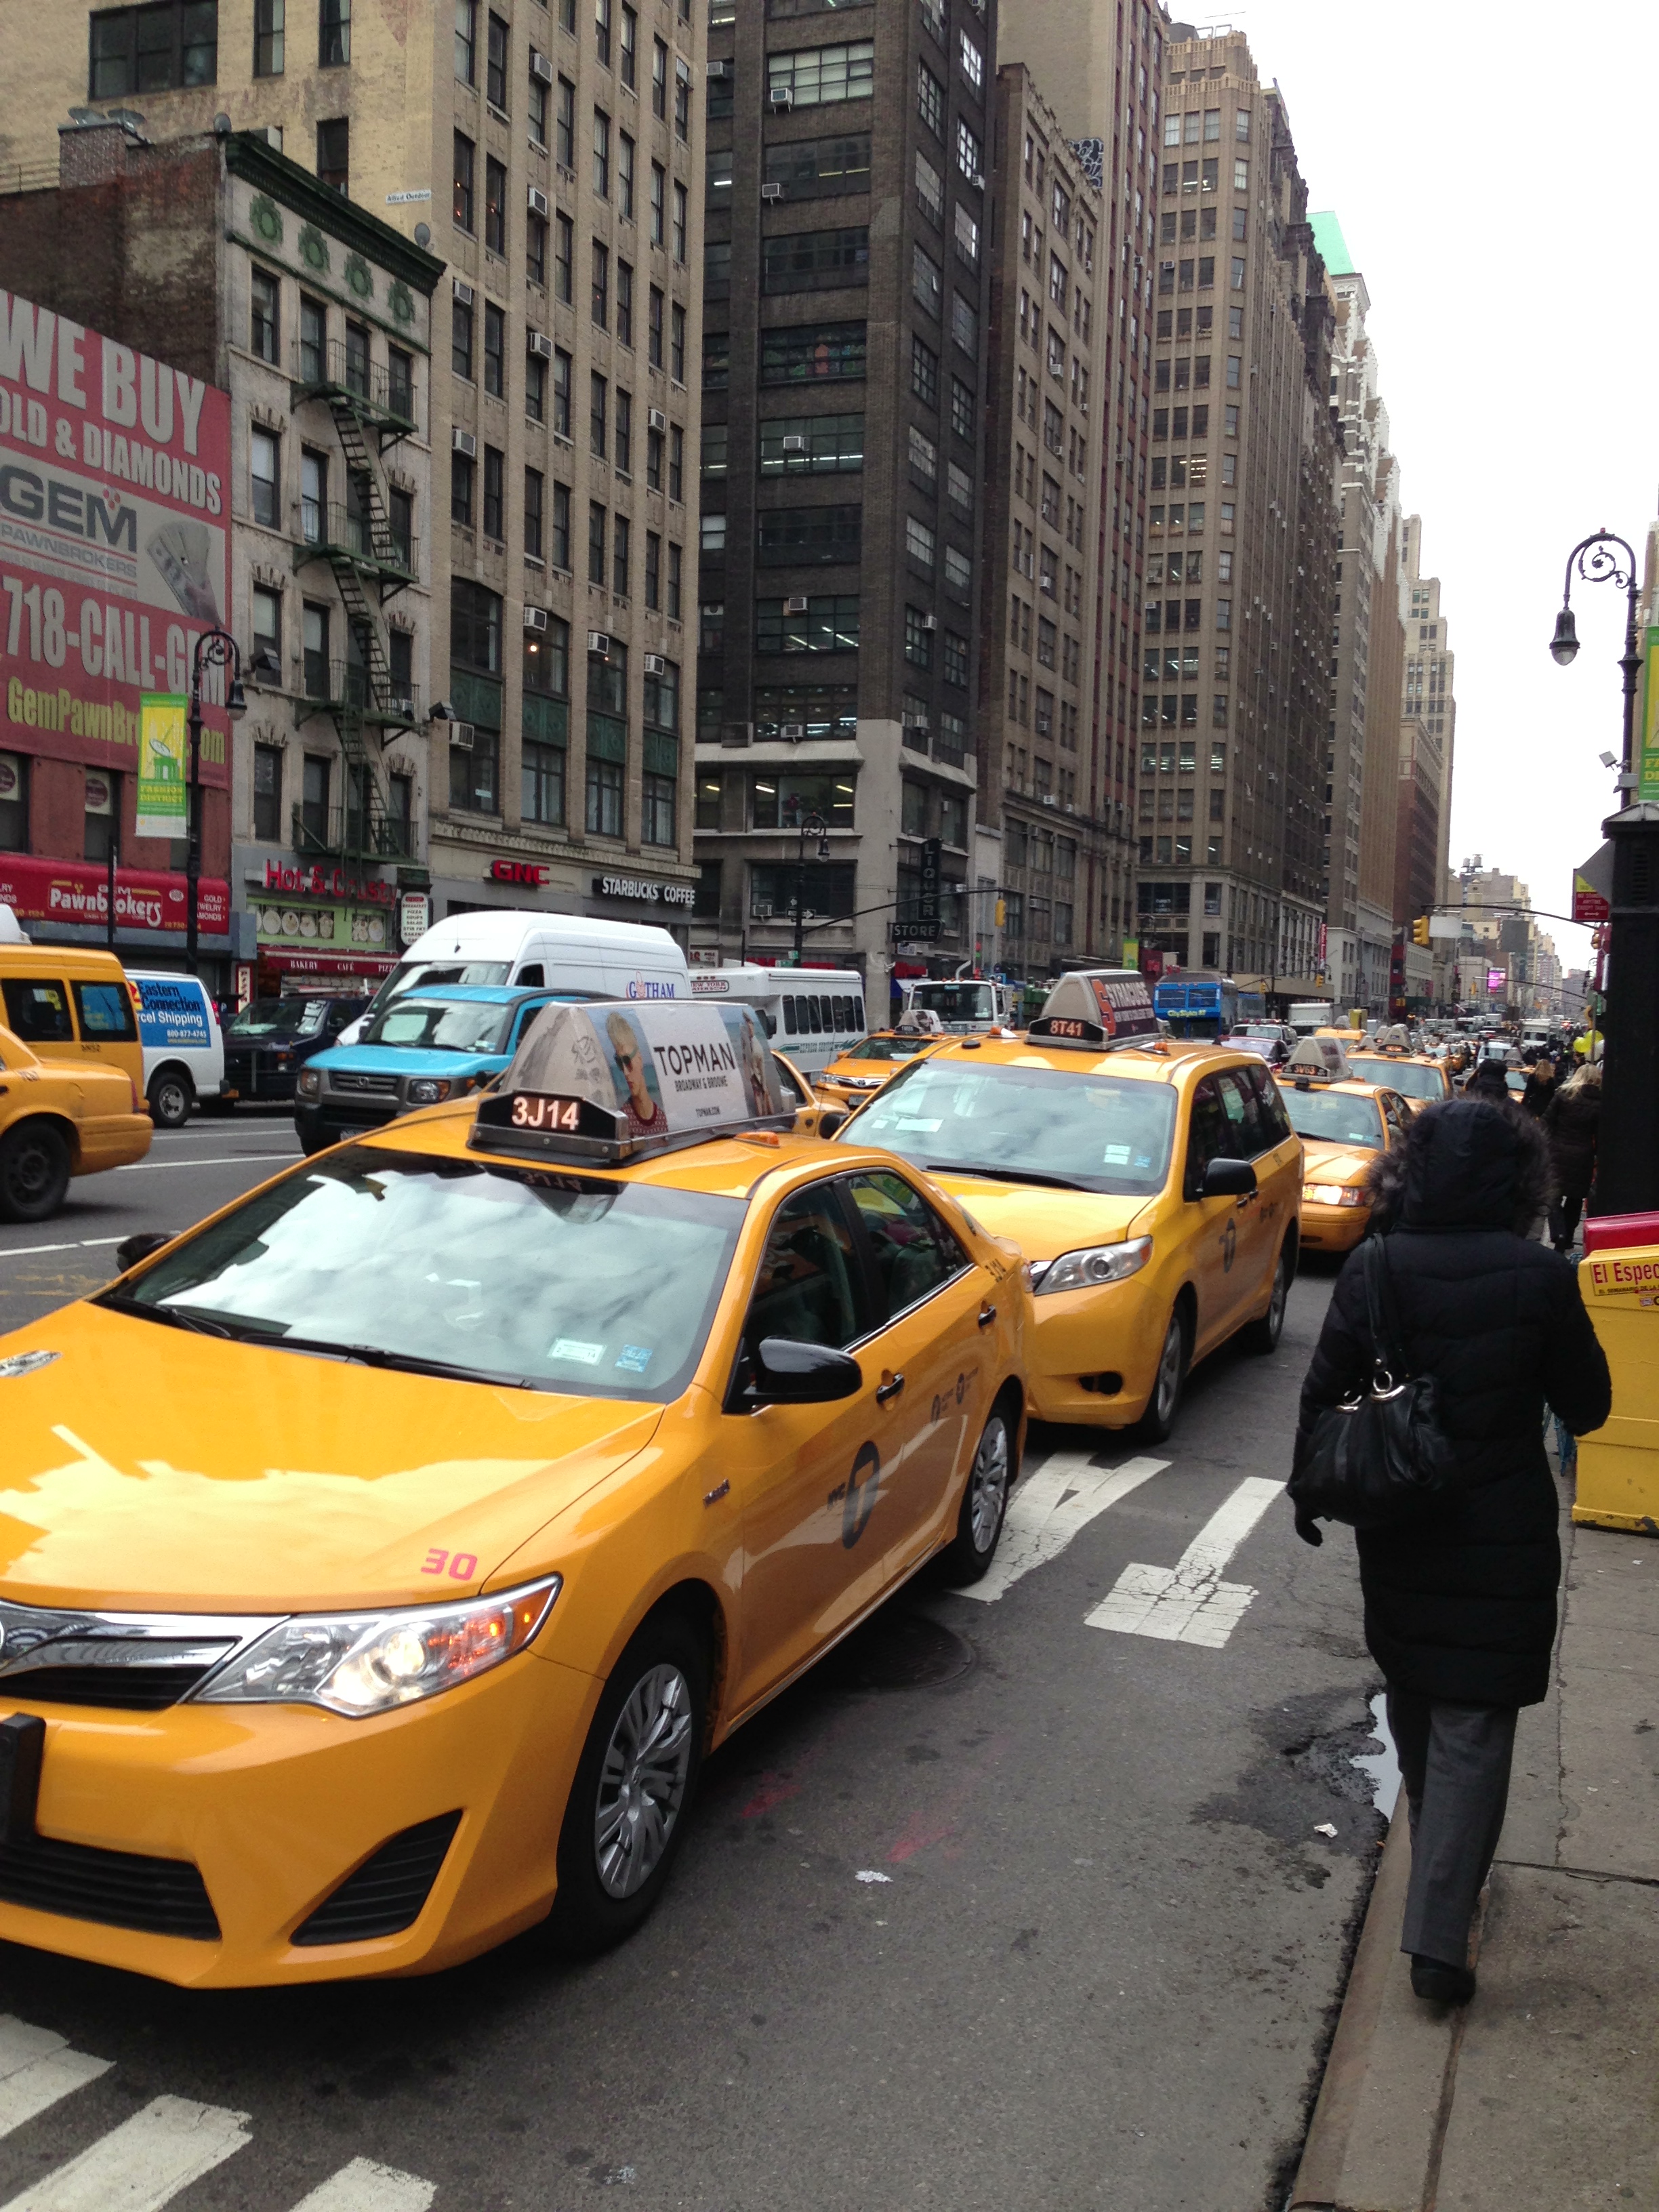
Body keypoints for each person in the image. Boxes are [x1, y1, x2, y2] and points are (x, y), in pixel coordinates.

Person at [1294, 1101, 1611, 2005]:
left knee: (1421, 1696)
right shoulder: (1542, 1276)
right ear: (1523, 1181)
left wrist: (1306, 1498)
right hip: (1502, 1534)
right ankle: (1440, 1934)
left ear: (1414, 1172)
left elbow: (1322, 1399)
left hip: (1401, 1527)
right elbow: (1586, 1406)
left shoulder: (1376, 1266)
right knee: (1475, 1718)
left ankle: (1443, 1860)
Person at [1543, 1060, 1601, 1253]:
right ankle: (1567, 1237)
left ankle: (1558, 1232)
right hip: (1583, 1155)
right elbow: (1600, 1135)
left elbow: (1546, 1122)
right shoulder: (1600, 1103)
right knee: (1575, 1200)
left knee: (1553, 1196)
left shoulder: (1563, 1096)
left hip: (1557, 1152)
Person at [1520, 1054, 1556, 1120]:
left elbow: (1528, 1091)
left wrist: (1524, 1102)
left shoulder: (1533, 1076)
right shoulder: (1551, 1079)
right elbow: (1552, 1093)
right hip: (1545, 1104)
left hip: (1533, 1103)